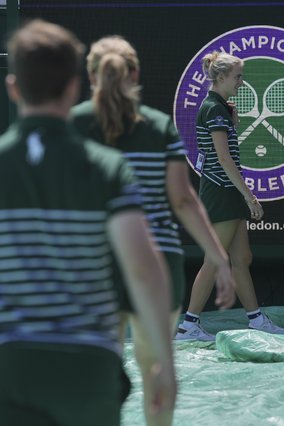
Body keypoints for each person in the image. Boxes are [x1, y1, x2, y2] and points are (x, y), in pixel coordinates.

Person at [0, 20, 175, 425]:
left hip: (9, 366)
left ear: (14, 87)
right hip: (89, 369)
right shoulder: (109, 170)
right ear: (75, 87)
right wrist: (165, 362)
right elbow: (143, 271)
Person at [70, 35, 237, 424]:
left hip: (96, 265)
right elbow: (182, 201)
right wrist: (218, 257)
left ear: (91, 75)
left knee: (98, 369)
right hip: (158, 264)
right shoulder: (159, 126)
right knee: (159, 369)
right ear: (136, 74)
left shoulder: (73, 125)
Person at [175, 51, 284, 340]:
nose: (241, 82)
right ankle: (188, 325)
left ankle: (255, 319)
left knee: (241, 257)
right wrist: (250, 196)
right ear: (222, 77)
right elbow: (224, 160)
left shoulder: (219, 108)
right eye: (238, 76)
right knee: (215, 260)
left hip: (227, 191)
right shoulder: (214, 109)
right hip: (221, 192)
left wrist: (234, 123)